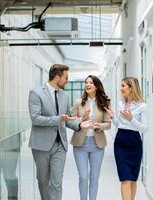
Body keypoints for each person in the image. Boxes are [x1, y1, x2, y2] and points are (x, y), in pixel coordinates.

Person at [28, 64, 91, 200]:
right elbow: (35, 119)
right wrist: (58, 119)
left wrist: (80, 124)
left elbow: (67, 119)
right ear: (57, 77)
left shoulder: (65, 96)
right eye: (66, 77)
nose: (67, 80)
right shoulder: (36, 93)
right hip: (41, 145)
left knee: (56, 183)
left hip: (59, 146)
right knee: (43, 181)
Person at [104, 77, 148, 200]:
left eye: (123, 86)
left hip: (135, 143)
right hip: (121, 142)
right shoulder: (120, 103)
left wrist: (131, 119)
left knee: (133, 179)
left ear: (131, 88)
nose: (121, 88)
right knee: (125, 178)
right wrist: (113, 117)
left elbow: (145, 128)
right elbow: (120, 124)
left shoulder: (142, 106)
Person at [70, 75, 111, 200]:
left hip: (97, 145)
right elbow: (71, 121)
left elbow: (108, 123)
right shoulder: (78, 102)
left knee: (94, 177)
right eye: (86, 82)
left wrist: (98, 126)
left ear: (96, 86)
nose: (87, 84)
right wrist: (83, 119)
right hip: (80, 144)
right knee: (83, 176)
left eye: (91, 83)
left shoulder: (104, 102)